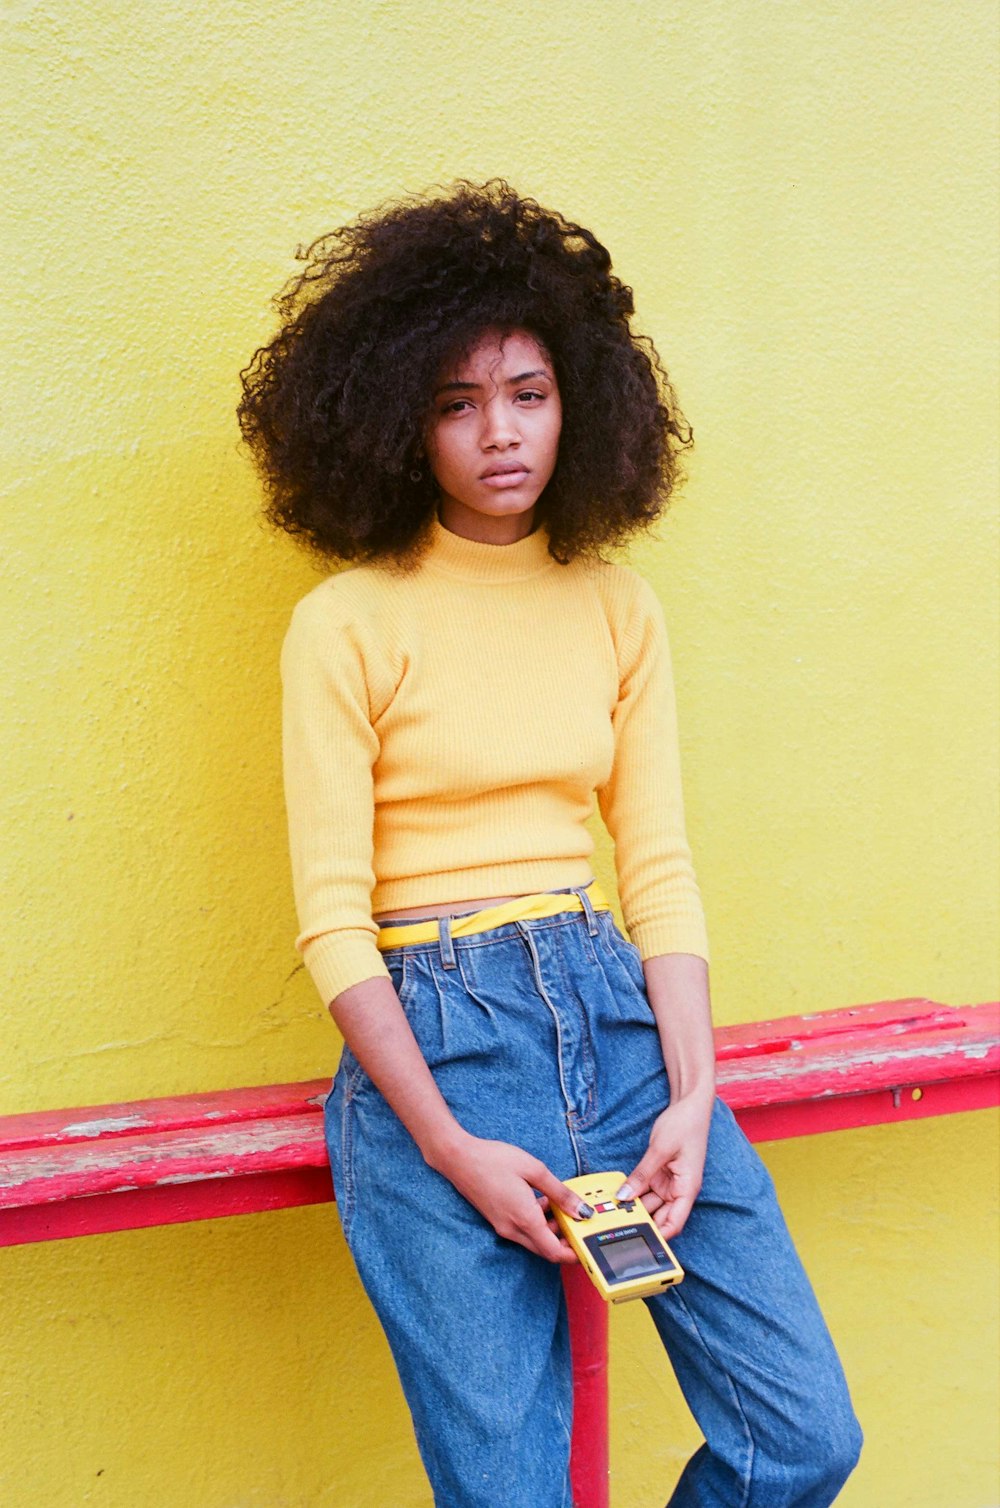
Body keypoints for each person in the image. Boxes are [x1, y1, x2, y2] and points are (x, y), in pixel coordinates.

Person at [238, 181, 862, 1508]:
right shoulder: (347, 625)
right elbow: (333, 921)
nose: (499, 432)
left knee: (802, 1436)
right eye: (456, 403)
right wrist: (453, 1149)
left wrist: (692, 1096)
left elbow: (659, 868)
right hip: (433, 1041)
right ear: (399, 422)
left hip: (617, 1015)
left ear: (581, 402)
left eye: (527, 391)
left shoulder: (617, 608)